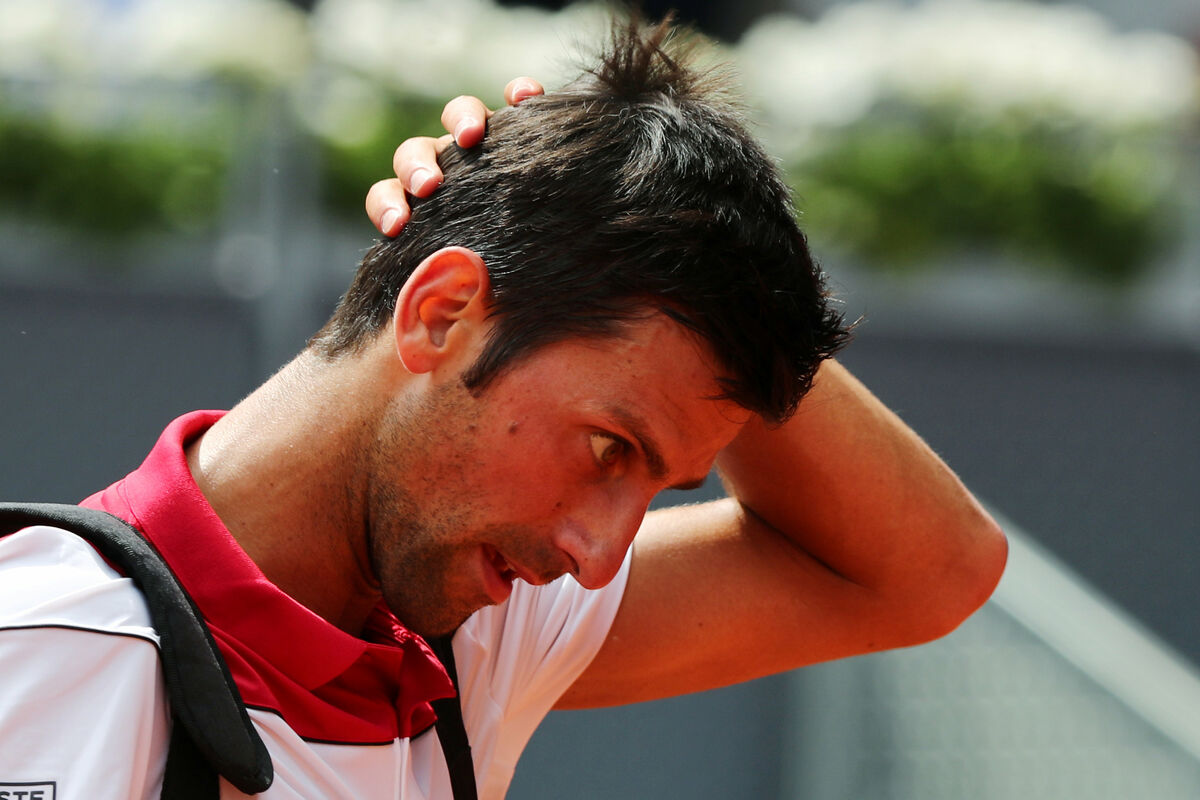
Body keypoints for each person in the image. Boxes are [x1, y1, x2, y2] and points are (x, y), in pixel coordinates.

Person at [0, 17, 1006, 800]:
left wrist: (672, 239)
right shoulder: (35, 647)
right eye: (609, 448)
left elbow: (929, 572)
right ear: (441, 313)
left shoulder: (469, 632)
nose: (599, 555)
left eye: (660, 483)